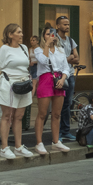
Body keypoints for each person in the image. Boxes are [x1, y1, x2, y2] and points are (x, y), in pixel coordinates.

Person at [0, 23, 34, 159]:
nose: (22, 35)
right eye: (19, 32)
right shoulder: (4, 49)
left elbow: (25, 66)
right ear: (10, 35)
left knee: (19, 116)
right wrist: (3, 84)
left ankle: (18, 147)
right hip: (9, 84)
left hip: (23, 83)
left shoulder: (24, 48)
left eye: (21, 32)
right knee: (7, 116)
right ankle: (4, 148)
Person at [33, 25, 72, 155]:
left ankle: (56, 142)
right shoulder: (39, 50)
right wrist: (47, 46)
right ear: (43, 36)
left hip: (59, 79)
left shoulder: (60, 50)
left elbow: (66, 67)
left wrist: (63, 78)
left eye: (52, 33)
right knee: (42, 113)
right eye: (48, 34)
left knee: (56, 113)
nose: (51, 36)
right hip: (45, 79)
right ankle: (39, 143)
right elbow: (43, 61)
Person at [54, 15, 80, 142]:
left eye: (68, 24)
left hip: (70, 75)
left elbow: (77, 58)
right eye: (64, 24)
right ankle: (57, 132)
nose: (67, 26)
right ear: (58, 26)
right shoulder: (54, 40)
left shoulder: (71, 40)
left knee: (68, 104)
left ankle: (65, 131)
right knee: (58, 105)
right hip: (58, 76)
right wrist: (68, 58)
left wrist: (68, 59)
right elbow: (55, 60)